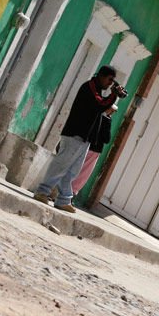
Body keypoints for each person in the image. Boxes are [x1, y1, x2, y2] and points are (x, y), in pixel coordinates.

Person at [33, 66, 126, 212]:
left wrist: (113, 95)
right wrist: (114, 95)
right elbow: (99, 105)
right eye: (109, 80)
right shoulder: (90, 87)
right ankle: (42, 192)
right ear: (101, 76)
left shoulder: (99, 91)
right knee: (61, 164)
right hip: (75, 133)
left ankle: (63, 200)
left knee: (72, 171)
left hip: (84, 138)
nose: (110, 84)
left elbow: (101, 105)